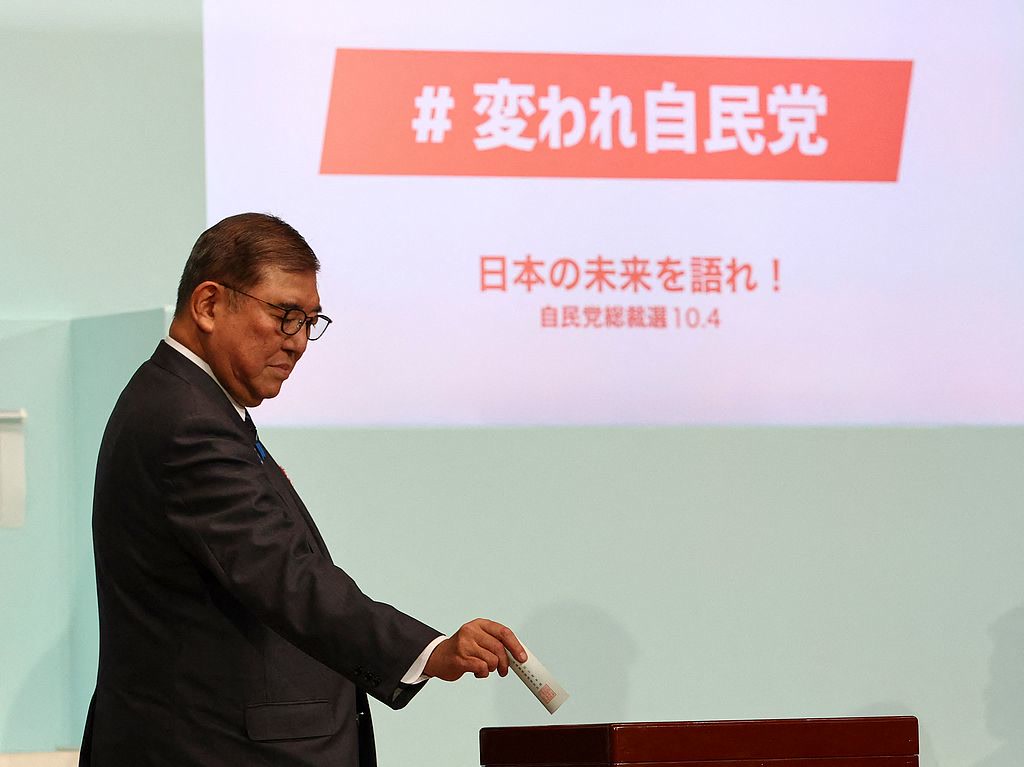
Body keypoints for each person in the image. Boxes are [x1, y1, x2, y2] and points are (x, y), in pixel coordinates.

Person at [79, 213, 525, 766]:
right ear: (209, 305)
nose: (298, 343)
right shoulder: (186, 420)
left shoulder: (189, 404)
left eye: (310, 322)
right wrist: (428, 651)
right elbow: (284, 575)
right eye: (285, 316)